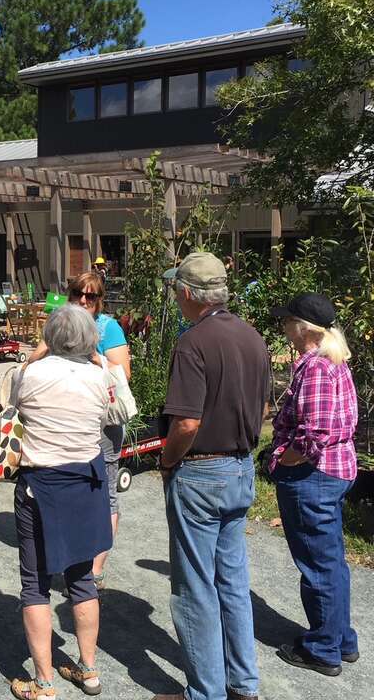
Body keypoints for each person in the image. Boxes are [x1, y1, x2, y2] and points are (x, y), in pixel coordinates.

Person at [156, 252, 270, 700]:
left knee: (194, 588)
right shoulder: (253, 336)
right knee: (233, 582)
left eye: (176, 290)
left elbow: (185, 423)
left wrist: (167, 462)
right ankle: (243, 683)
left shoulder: (193, 342)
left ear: (187, 292)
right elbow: (262, 409)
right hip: (241, 466)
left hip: (203, 471)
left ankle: (205, 692)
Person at [9, 304, 113, 699]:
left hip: (41, 483)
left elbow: (14, 403)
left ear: (49, 337)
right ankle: (88, 669)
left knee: (35, 584)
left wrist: (36, 354)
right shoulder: (99, 375)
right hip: (85, 481)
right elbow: (111, 410)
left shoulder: (30, 374)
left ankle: (44, 682)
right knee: (82, 579)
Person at [269, 293, 359, 676]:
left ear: (304, 328)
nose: (284, 328)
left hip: (313, 477)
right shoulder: (332, 362)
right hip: (333, 473)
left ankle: (323, 648)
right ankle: (341, 638)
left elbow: (314, 435)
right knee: (331, 561)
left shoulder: (318, 367)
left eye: (287, 322)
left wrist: (280, 459)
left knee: (318, 566)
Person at [28, 270, 130, 590]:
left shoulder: (107, 327)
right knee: (69, 488)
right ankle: (72, 556)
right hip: (66, 420)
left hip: (102, 422)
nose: (83, 301)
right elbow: (32, 361)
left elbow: (122, 373)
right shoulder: (58, 322)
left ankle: (95, 567)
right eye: (78, 294)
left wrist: (93, 355)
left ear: (100, 301)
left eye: (91, 296)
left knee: (105, 492)